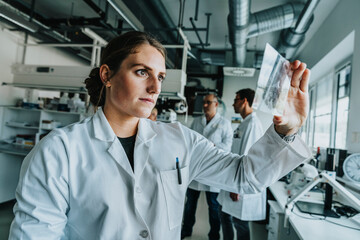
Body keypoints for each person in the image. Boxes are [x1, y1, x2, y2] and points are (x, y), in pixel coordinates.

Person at [9, 31, 312, 240]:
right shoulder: (59, 152)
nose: (155, 88)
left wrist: (286, 129)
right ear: (107, 75)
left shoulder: (180, 139)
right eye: (142, 72)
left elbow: (245, 176)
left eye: (161, 77)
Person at [181, 93, 233, 240]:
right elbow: (190, 143)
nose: (204, 105)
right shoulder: (197, 121)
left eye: (208, 102)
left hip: (213, 171)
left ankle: (214, 235)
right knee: (190, 204)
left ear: (216, 104)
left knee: (214, 207)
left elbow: (227, 147)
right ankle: (186, 230)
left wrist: (209, 146)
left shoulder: (225, 124)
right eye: (204, 102)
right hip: (196, 171)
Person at [217, 88, 265, 240]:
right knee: (225, 215)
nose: (233, 104)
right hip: (234, 179)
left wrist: (237, 187)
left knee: (240, 223)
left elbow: (248, 158)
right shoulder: (244, 124)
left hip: (241, 183)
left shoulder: (252, 125)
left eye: (236, 100)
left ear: (245, 101)